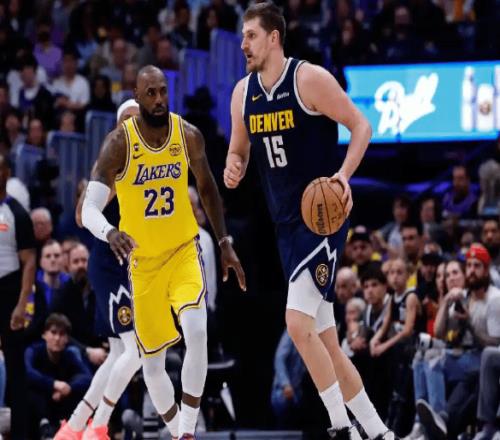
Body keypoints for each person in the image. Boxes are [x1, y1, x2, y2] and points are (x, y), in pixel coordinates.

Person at [223, 3, 394, 439]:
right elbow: (239, 148)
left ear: (273, 38)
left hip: (322, 219)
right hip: (284, 225)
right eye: (242, 36)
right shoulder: (242, 94)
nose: (243, 44)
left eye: (250, 36)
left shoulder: (309, 79)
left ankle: (341, 427)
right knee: (328, 344)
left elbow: (361, 126)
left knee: (297, 325)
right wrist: (233, 165)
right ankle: (380, 433)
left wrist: (343, 176)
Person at [81, 66, 246, 440]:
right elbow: (88, 209)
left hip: (183, 252)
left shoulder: (187, 134)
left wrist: (224, 243)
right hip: (144, 264)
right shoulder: (118, 144)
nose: (159, 99)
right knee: (152, 366)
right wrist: (110, 232)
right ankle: (177, 430)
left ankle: (187, 430)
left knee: (197, 331)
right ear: (137, 97)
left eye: (163, 91)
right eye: (150, 93)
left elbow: (208, 188)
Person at [55, 100, 143, 440]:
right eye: (128, 119)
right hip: (110, 263)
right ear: (118, 125)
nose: (135, 124)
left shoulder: (150, 158)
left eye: (140, 118)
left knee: (118, 353)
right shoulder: (114, 161)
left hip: (129, 265)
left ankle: (74, 427)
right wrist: (110, 225)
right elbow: (81, 215)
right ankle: (99, 426)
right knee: (135, 351)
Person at [0, 152, 37, 440]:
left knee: (15, 368)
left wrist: (22, 303)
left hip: (9, 291)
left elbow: (30, 262)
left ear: (7, 173)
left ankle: (22, 434)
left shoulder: (17, 213)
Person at [26, 313, 92, 440]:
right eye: (53, 332)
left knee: (78, 390)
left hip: (59, 406)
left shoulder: (68, 355)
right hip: (36, 411)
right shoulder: (33, 350)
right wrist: (53, 384)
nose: (57, 338)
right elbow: (28, 373)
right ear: (44, 334)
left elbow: (87, 377)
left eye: (62, 334)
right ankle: (45, 428)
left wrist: (69, 388)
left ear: (67, 339)